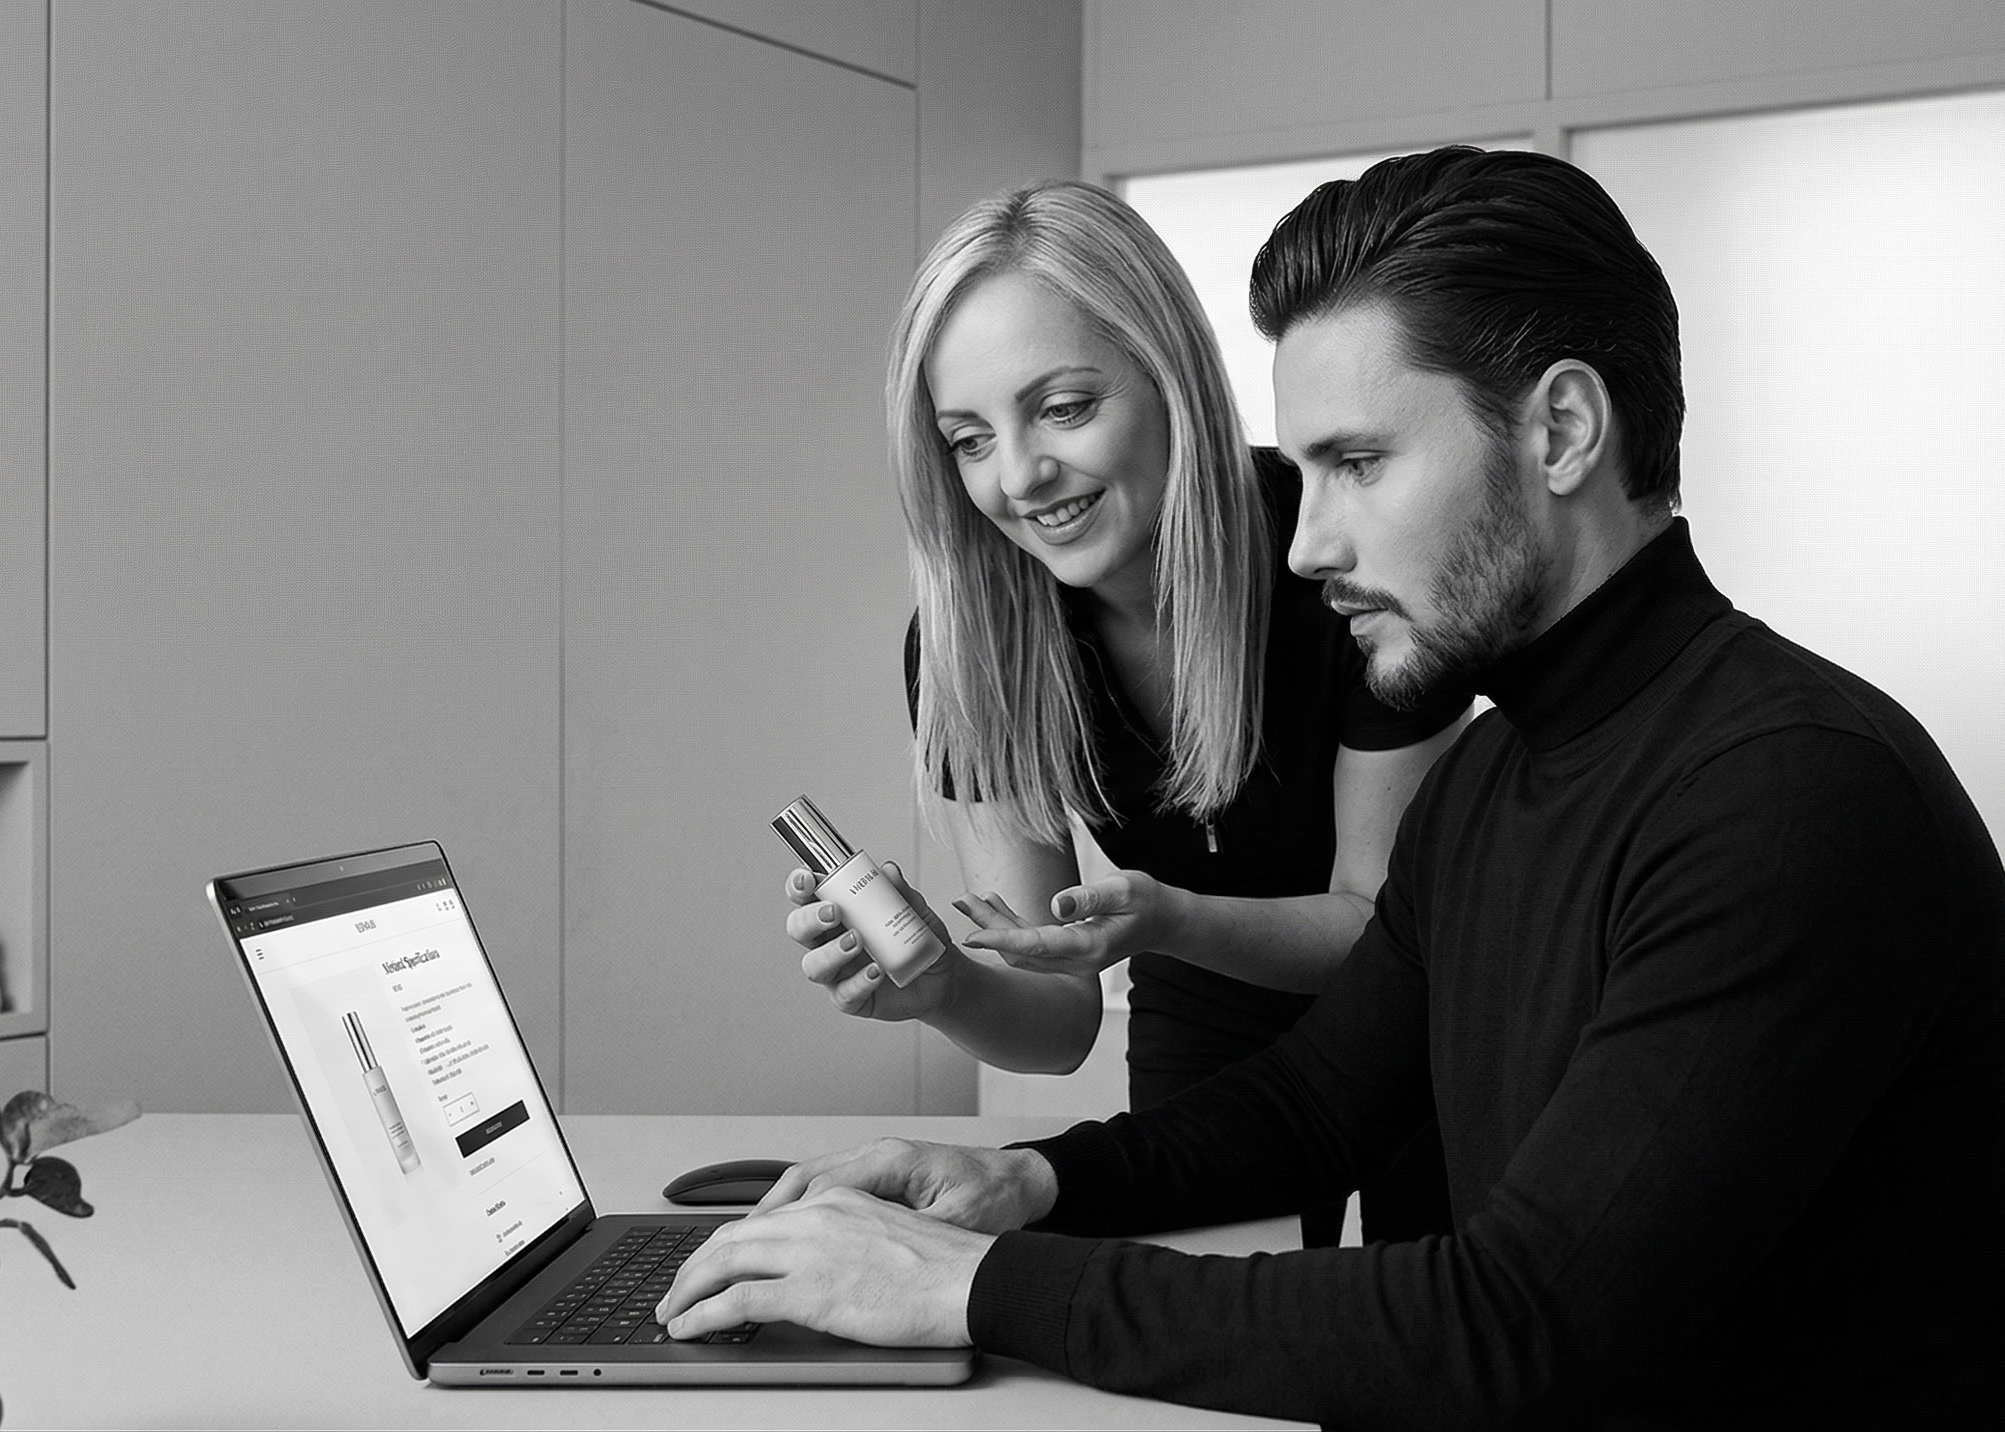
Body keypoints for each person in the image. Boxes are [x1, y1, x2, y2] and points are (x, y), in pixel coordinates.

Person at [668, 147, 2005, 1428]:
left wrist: (967, 1288)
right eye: (1303, 472)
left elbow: (1518, 1324)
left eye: (1357, 465)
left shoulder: (1788, 799)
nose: (1304, 545)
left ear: (1560, 431)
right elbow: (1310, 1107)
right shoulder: (1493, 775)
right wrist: (1016, 1181)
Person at [785, 180, 1467, 1243]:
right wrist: (941, 984)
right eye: (968, 439)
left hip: (1425, 1003)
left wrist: (1168, 919)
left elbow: (1377, 930)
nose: (1020, 478)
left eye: (1063, 409)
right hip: (1201, 1000)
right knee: (1196, 1310)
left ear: (1168, 375)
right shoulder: (971, 647)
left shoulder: (1333, 553)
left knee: (1420, 1305)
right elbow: (1055, 1024)